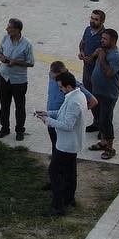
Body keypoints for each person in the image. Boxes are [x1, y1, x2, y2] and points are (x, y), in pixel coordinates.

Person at [35, 70, 84, 216]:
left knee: (54, 171)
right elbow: (63, 113)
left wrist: (48, 121)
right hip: (70, 143)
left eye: (61, 87)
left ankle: (57, 205)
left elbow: (68, 124)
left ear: (68, 86)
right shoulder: (76, 96)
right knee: (70, 172)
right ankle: (69, 198)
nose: (60, 90)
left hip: (66, 144)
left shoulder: (74, 101)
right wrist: (48, 113)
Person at [86, 28, 119, 161]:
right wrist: (92, 55)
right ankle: (103, 142)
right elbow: (90, 62)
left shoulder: (116, 56)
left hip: (108, 94)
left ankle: (110, 148)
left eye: (105, 39)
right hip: (97, 91)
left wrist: (101, 58)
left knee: (106, 121)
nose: (102, 41)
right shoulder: (102, 51)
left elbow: (109, 73)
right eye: (102, 38)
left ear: (113, 41)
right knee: (100, 119)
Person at [0, 17, 34, 141]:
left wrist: (16, 62)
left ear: (17, 30)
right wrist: (2, 57)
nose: (7, 29)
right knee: (4, 105)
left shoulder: (27, 44)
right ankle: (4, 128)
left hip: (19, 81)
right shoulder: (5, 38)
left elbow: (31, 63)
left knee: (20, 106)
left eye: (10, 27)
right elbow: (0, 51)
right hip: (4, 77)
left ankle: (19, 130)